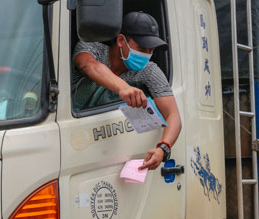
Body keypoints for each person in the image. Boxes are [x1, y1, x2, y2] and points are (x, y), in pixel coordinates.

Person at [72, 11, 181, 170]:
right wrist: (123, 88)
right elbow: (88, 65)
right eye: (142, 48)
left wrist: (163, 148)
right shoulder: (91, 47)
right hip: (76, 136)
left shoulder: (149, 71)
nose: (147, 55)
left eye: (151, 50)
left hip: (109, 150)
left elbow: (173, 114)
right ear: (121, 40)